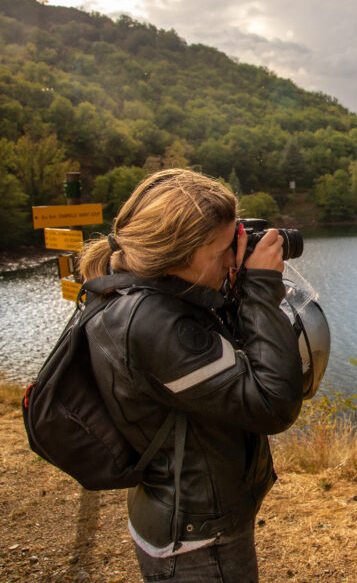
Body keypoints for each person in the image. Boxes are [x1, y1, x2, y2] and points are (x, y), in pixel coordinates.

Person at [78, 168, 304, 582]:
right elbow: (273, 402)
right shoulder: (155, 324)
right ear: (177, 255)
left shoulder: (150, 292)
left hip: (187, 511)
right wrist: (260, 287)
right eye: (222, 251)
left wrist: (233, 284)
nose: (231, 258)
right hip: (196, 544)